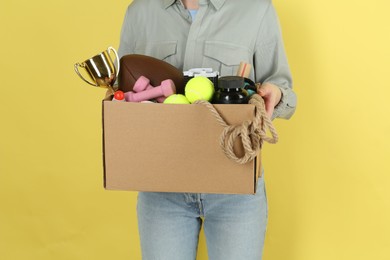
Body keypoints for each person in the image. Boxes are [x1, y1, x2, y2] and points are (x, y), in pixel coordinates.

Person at [117, 0, 297, 259]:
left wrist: (276, 93)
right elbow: (122, 91)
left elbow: (282, 88)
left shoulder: (257, 10)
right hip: (161, 190)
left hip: (236, 190)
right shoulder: (140, 13)